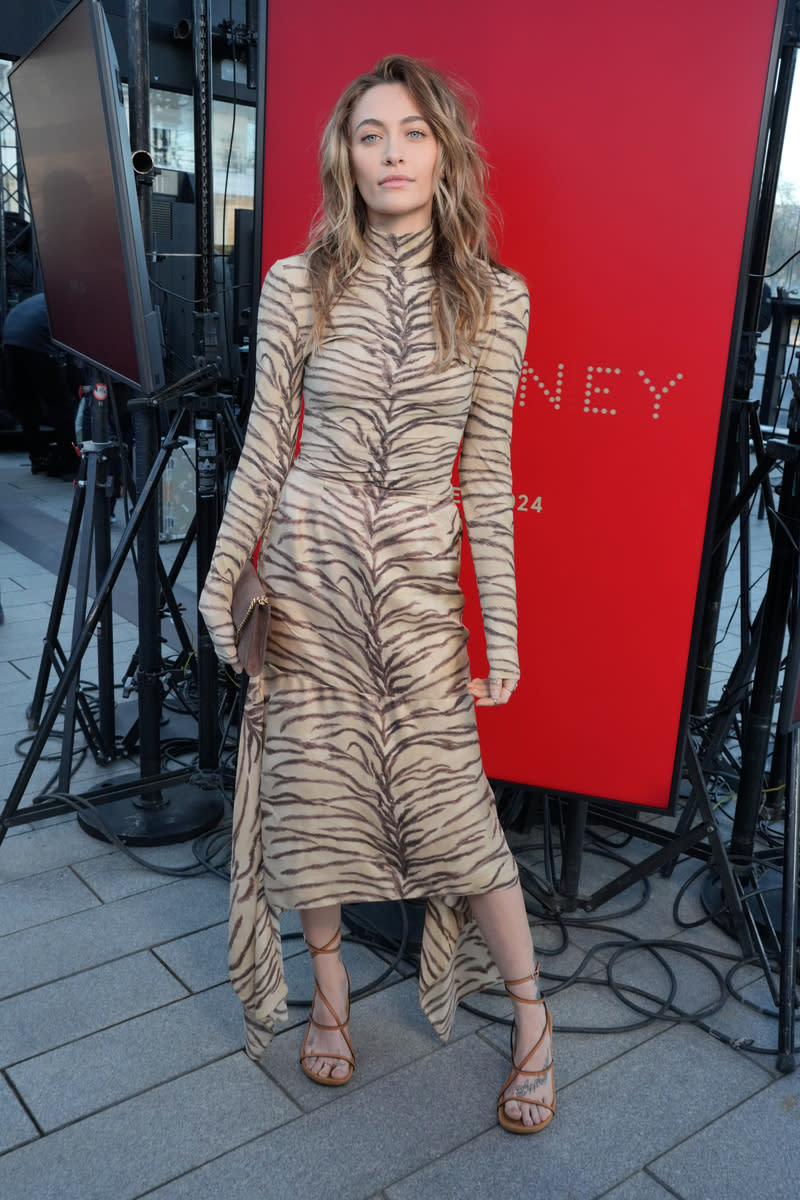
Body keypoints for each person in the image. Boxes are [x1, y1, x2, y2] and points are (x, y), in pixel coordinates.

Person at [199, 54, 555, 1134]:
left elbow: (485, 472)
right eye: (368, 135)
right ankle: (331, 997)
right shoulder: (296, 283)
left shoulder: (495, 298)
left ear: (442, 151)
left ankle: (533, 1020)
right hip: (306, 573)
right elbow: (264, 445)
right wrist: (223, 582)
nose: (390, 153)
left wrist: (500, 622)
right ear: (342, 157)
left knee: (455, 809)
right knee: (312, 792)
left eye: (409, 133)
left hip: (413, 587)